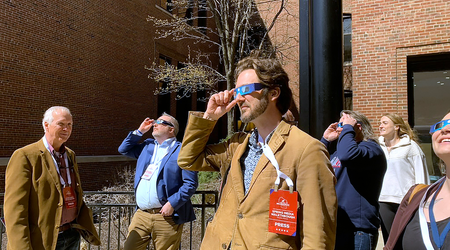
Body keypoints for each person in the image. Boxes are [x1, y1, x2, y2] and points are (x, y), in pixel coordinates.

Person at [177, 51, 338, 250]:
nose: (239, 98)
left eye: (245, 89)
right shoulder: (237, 145)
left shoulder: (307, 150)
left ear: (273, 93)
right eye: (236, 91)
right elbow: (188, 160)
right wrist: (209, 118)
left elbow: (317, 238)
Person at [4, 106, 100, 250]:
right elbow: (15, 210)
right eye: (61, 124)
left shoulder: (70, 155)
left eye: (70, 125)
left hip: (72, 235)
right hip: (43, 240)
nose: (66, 129)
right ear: (46, 125)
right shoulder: (25, 156)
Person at [118, 112, 198, 250]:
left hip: (166, 217)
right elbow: (123, 149)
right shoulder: (147, 146)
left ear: (171, 129)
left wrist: (172, 203)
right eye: (155, 121)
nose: (154, 124)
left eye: (160, 122)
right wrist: (140, 131)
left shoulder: (182, 151)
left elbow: (190, 183)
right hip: (141, 214)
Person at [321, 110, 387, 250]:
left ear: (358, 127)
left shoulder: (371, 149)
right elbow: (316, 164)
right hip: (337, 224)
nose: (340, 128)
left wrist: (348, 129)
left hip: (358, 229)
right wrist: (325, 140)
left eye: (343, 124)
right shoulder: (341, 151)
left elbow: (348, 156)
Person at [384, 111, 450, 250]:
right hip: (385, 198)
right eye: (440, 125)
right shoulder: (416, 197)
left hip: (398, 196)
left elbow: (420, 171)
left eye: (385, 123)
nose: (444, 129)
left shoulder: (411, 147)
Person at [378, 113, 430, 243]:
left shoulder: (411, 147)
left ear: (396, 127)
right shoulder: (377, 147)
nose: (380, 126)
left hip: (406, 201)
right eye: (380, 123)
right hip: (383, 200)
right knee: (389, 241)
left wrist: (422, 200)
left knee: (406, 240)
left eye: (385, 123)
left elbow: (421, 175)